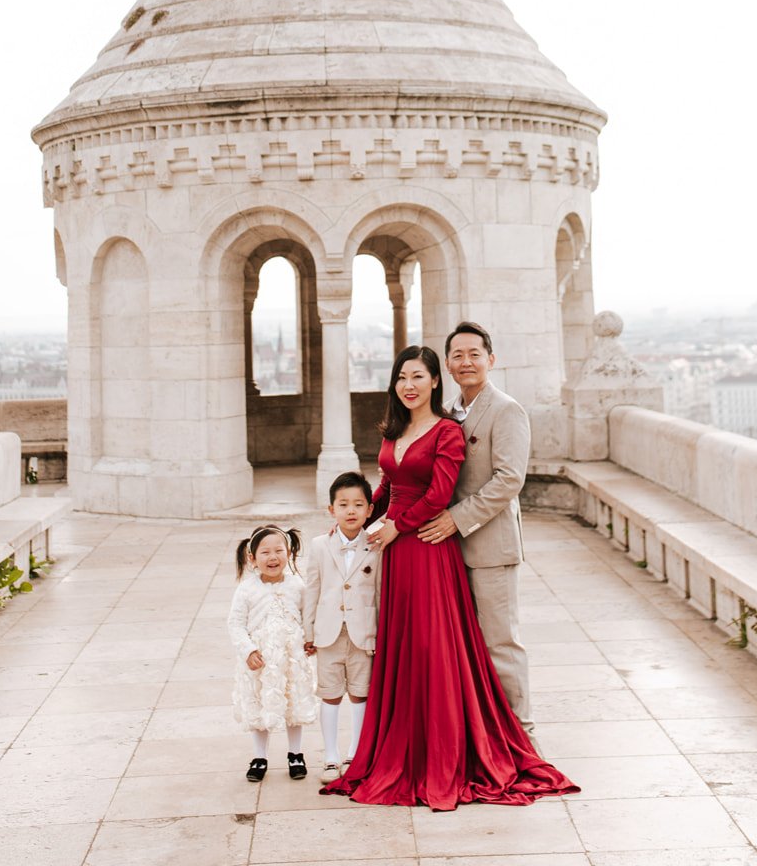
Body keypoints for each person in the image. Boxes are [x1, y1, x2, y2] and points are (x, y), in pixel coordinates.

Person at [322, 345, 579, 810]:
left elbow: (440, 494)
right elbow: (388, 486)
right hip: (397, 553)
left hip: (426, 547)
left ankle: (453, 748)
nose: (409, 385)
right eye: (402, 377)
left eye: (419, 376)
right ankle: (405, 743)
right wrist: (358, 518)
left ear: (435, 382)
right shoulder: (395, 430)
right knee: (403, 643)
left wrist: (397, 526)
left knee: (435, 645)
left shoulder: (448, 431)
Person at [418, 321, 536, 738]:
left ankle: (522, 733)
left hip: (490, 546)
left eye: (474, 354)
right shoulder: (448, 413)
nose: (466, 362)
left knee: (500, 643)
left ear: (491, 359)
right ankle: (482, 731)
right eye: (457, 355)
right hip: (447, 550)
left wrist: (456, 518)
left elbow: (508, 480)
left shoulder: (506, 409)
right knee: (463, 645)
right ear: (447, 365)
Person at [302, 470, 381, 780]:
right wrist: (309, 633)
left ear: (370, 509)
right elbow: (312, 590)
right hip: (328, 633)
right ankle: (331, 757)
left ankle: (355, 754)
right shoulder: (320, 545)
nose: (351, 511)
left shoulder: (376, 546)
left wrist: (380, 634)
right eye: (344, 504)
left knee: (361, 693)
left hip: (364, 635)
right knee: (330, 693)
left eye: (359, 504)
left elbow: (379, 592)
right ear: (331, 509)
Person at [227, 523, 318, 782]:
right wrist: (248, 650)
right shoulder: (246, 589)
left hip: (291, 659)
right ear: (252, 558)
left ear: (288, 554)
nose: (273, 557)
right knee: (259, 703)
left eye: (279, 550)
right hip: (261, 661)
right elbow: (235, 623)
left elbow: (307, 616)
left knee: (293, 702)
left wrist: (310, 640)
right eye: (265, 552)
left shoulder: (297, 586)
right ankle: (259, 756)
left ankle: (296, 753)